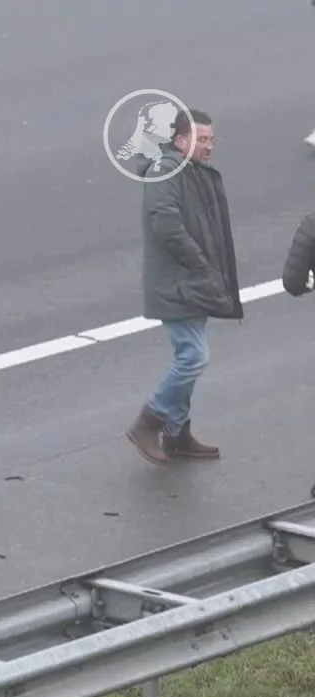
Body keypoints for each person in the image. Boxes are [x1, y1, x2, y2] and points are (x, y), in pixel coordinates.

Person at [125, 107, 239, 465]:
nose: (210, 146)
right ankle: (149, 422)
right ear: (179, 141)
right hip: (177, 283)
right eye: (202, 139)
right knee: (193, 357)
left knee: (187, 356)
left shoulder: (191, 171)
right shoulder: (166, 171)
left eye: (212, 139)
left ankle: (176, 434)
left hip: (194, 281)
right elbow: (167, 225)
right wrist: (201, 263)